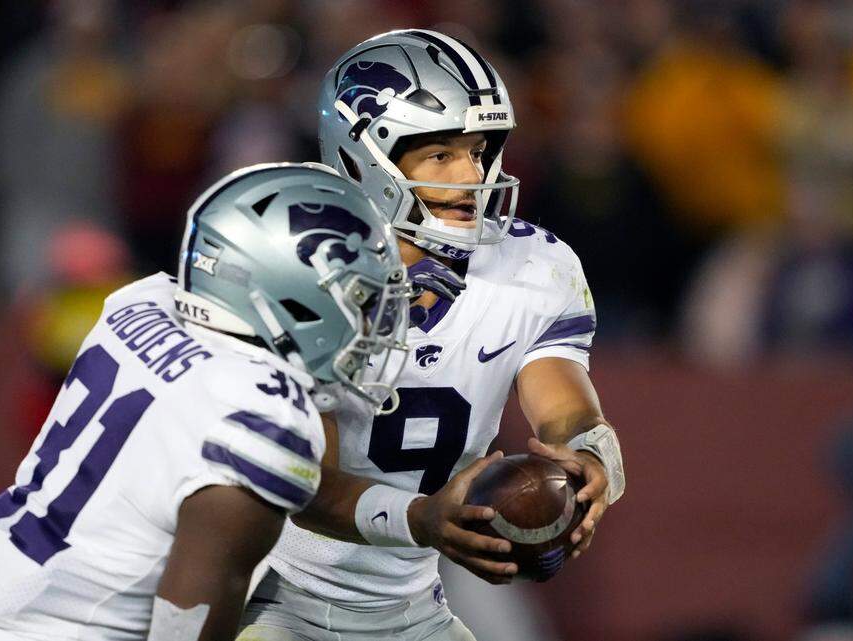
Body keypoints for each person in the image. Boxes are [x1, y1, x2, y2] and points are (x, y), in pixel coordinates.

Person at [0, 163, 411, 641]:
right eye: (360, 301)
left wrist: (418, 516)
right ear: (289, 293)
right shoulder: (263, 418)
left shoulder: (140, 302)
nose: (374, 327)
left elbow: (287, 486)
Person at [239, 30, 626, 641]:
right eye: (440, 155)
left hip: (414, 609)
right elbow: (305, 485)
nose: (473, 174)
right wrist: (422, 519)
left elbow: (564, 403)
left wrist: (589, 457)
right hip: (271, 598)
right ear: (367, 158)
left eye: (479, 150)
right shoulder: (300, 265)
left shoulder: (532, 265)